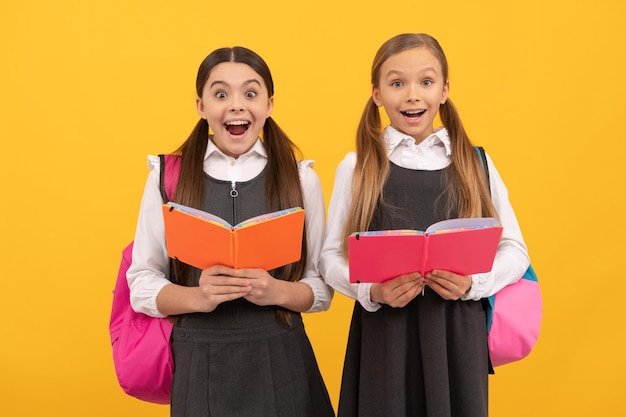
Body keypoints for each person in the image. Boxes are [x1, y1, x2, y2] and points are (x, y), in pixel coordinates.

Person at [319, 33, 530, 417]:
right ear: (377, 94)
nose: (412, 95)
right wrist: (373, 292)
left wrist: (474, 284)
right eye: (397, 83)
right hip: (385, 338)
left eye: (426, 82)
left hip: (456, 337)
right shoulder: (358, 166)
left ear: (445, 90)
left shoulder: (477, 162)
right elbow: (330, 257)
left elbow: (515, 249)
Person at [127, 46, 335, 417]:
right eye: (221, 94)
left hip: (282, 359)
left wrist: (276, 291)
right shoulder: (166, 177)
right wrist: (199, 297)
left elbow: (320, 288)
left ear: (269, 105)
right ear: (201, 105)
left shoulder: (301, 178)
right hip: (200, 360)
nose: (237, 105)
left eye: (250, 93)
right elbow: (141, 283)